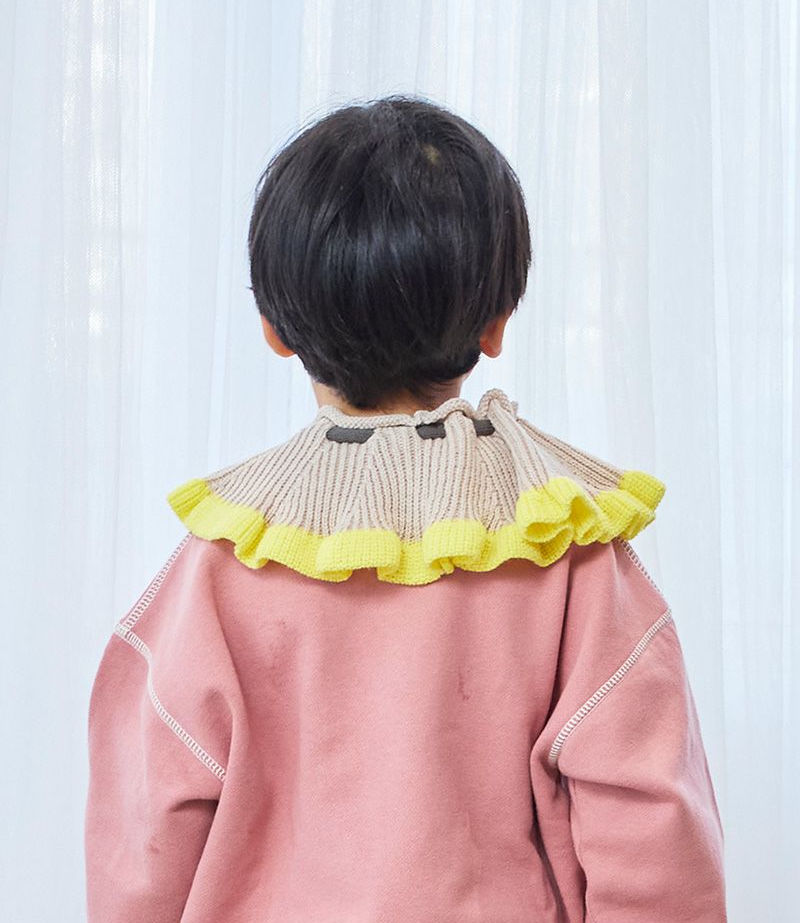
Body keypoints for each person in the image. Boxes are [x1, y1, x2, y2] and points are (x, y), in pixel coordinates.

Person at [84, 94, 727, 921]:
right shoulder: (567, 548)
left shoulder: (218, 564)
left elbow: (147, 831)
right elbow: (651, 826)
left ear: (274, 328)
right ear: (496, 323)